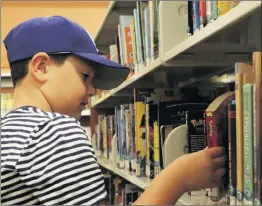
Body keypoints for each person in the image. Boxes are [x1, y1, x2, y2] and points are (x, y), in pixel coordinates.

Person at [1, 15, 226, 205]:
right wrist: (179, 177)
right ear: (41, 67)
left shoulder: (11, 132)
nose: (91, 91)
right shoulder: (52, 131)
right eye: (85, 76)